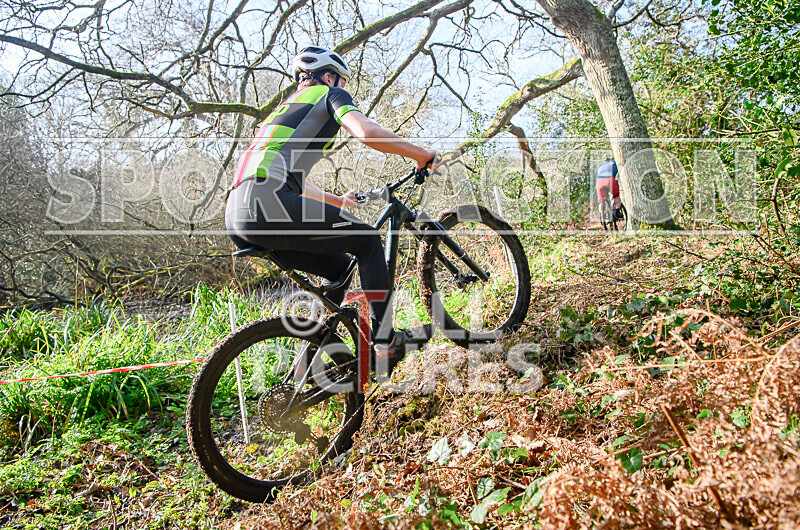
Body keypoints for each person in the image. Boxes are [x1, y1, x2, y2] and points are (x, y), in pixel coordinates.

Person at [225, 46, 437, 372]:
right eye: (337, 79)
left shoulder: (282, 112)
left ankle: (308, 363)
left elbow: (288, 178)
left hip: (240, 211)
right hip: (268, 204)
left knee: (339, 271)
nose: (339, 85)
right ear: (328, 76)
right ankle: (386, 343)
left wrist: (337, 201)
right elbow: (365, 132)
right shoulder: (329, 94)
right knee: (366, 240)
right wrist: (419, 154)